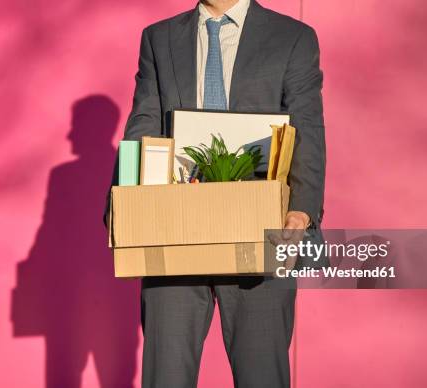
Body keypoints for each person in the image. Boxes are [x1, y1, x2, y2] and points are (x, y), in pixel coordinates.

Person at [116, 0, 325, 386]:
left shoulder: (293, 38)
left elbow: (307, 129)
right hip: (173, 228)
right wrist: (129, 216)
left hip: (262, 227)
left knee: (262, 376)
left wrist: (302, 211)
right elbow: (143, 124)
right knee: (166, 378)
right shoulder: (158, 38)